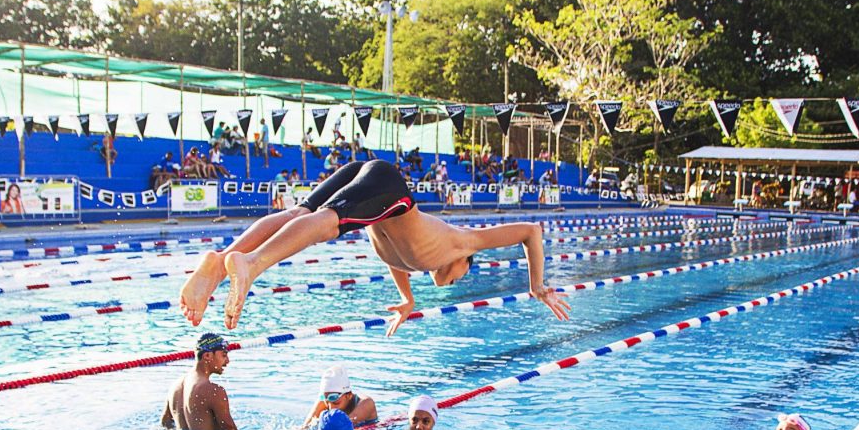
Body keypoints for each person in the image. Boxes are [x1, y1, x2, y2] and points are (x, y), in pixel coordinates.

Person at [178, 159, 571, 331]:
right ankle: (251, 263)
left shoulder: (410, 259)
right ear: (464, 263)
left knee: (299, 214)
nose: (456, 282)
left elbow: (398, 262)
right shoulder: (460, 244)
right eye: (462, 278)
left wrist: (407, 300)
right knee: (329, 224)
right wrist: (536, 285)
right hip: (388, 188)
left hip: (370, 179)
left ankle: (220, 262)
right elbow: (531, 231)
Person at [161, 332, 239, 430]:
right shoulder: (213, 390)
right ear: (207, 356)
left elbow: (166, 423)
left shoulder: (175, 386)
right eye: (224, 355)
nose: (227, 361)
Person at [303, 364, 378, 430]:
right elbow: (304, 429)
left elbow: (339, 429)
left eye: (336, 402)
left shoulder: (366, 403)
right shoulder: (325, 399)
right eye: (326, 401)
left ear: (349, 395)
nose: (330, 407)